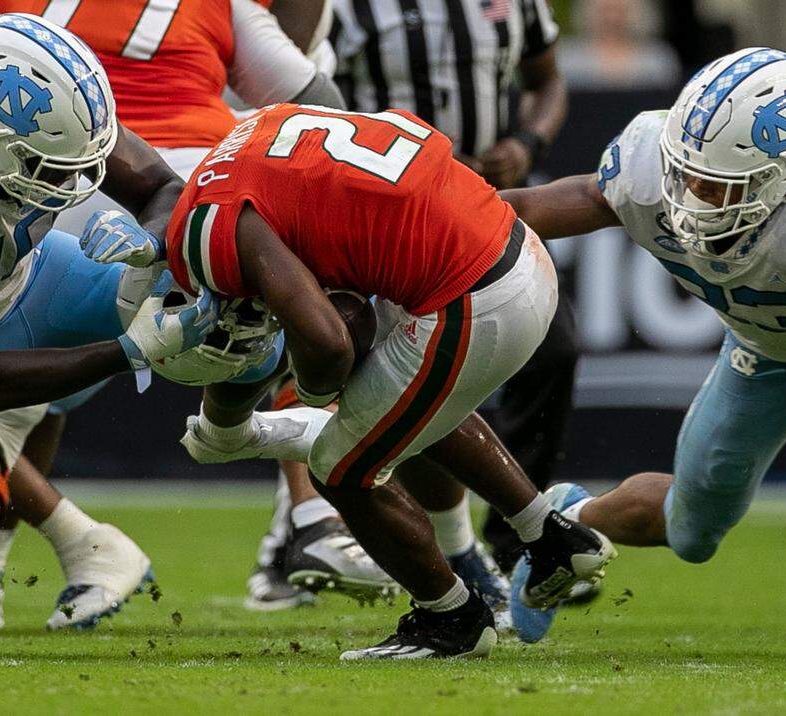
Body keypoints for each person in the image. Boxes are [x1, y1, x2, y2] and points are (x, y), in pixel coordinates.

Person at [0, 0, 379, 634]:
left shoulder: (40, 104)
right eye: (50, 170)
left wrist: (149, 244)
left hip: (34, 277)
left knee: (227, 304)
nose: (79, 180)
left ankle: (233, 433)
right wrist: (132, 349)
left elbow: (161, 188)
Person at [82, 102, 617, 659]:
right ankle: (551, 536)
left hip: (471, 295)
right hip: (510, 245)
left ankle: (452, 618)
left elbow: (327, 343)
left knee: (341, 468)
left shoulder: (211, 229)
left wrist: (312, 396)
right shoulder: (243, 141)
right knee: (411, 410)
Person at [503, 47, 786, 642]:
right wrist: (439, 220)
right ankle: (571, 520)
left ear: (782, 176)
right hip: (765, 353)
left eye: (716, 184)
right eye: (686, 171)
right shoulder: (649, 163)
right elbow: (542, 207)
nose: (690, 192)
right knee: (691, 532)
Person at [245, 0, 579, 615]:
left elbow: (546, 77)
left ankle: (489, 566)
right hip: (372, 220)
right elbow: (295, 93)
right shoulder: (343, 12)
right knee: (373, 383)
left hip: (470, 216)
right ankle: (316, 529)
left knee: (375, 417)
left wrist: (528, 141)